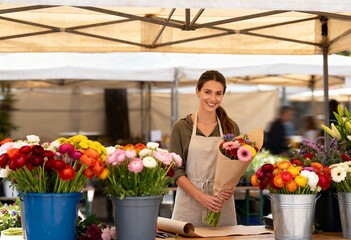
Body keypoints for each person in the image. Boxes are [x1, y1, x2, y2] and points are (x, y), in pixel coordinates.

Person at [169, 70, 240, 227]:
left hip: (220, 203)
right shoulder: (181, 127)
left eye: (218, 93)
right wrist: (202, 197)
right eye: (207, 92)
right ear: (197, 91)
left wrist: (231, 186)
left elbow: (237, 166)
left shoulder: (231, 128)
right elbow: (175, 171)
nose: (212, 99)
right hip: (189, 203)